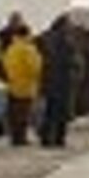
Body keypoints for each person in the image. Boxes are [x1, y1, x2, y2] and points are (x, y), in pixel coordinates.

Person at [36, 13, 79, 148]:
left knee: (49, 111)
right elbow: (72, 61)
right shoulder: (66, 41)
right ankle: (59, 139)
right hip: (62, 82)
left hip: (48, 81)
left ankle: (46, 138)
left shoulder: (44, 38)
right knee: (61, 113)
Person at [0, 20, 42, 147]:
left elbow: (5, 64)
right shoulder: (28, 49)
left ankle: (15, 137)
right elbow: (34, 67)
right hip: (26, 85)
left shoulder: (11, 49)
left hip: (13, 84)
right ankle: (21, 138)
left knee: (14, 113)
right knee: (24, 113)